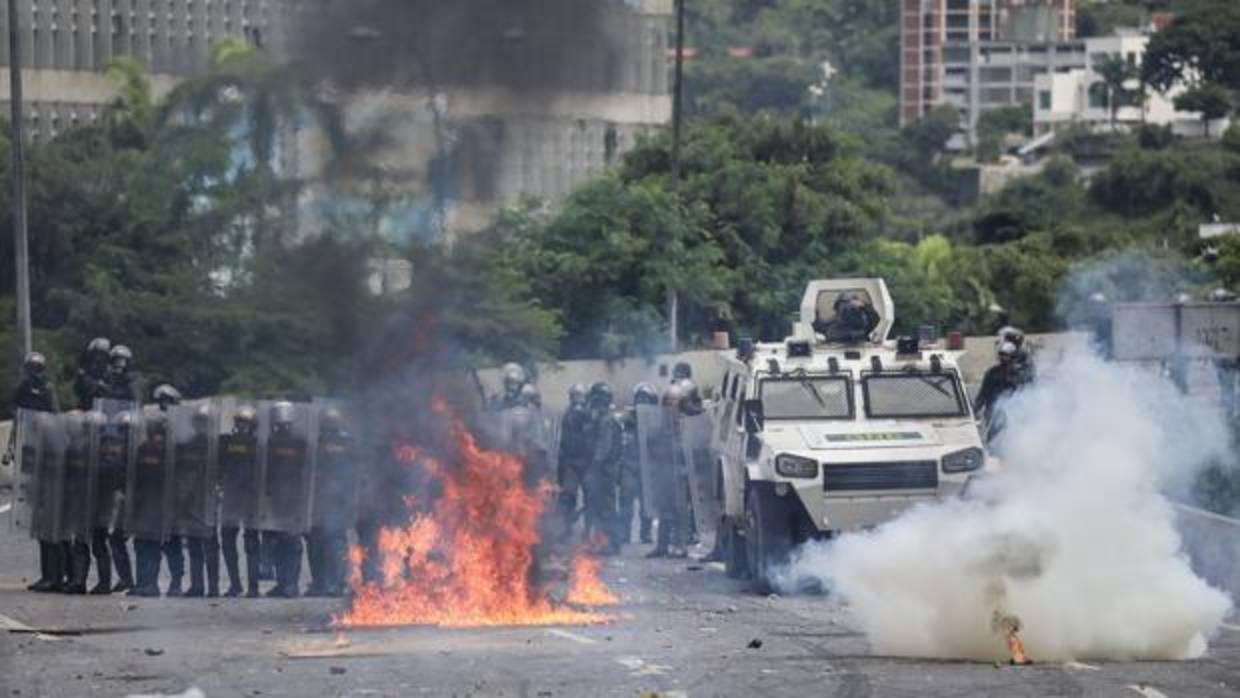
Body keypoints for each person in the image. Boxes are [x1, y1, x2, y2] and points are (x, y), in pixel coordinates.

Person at [5, 353, 63, 592]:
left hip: (48, 462)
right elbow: (17, 418)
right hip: (30, 456)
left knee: (50, 526)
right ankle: (47, 575)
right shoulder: (23, 389)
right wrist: (11, 447)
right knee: (38, 524)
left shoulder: (48, 391)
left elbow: (56, 418)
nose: (34, 373)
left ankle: (56, 576)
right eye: (31, 368)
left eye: (38, 368)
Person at [306, 406, 355, 598]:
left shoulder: (345, 442)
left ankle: (335, 583)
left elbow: (353, 472)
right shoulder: (321, 442)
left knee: (334, 542)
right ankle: (322, 583)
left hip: (336, 499)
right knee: (317, 541)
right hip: (321, 498)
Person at [265, 401, 308, 598]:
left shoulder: (300, 443)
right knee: (277, 544)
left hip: (293, 498)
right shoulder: (269, 443)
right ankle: (283, 583)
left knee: (291, 543)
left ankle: (291, 584)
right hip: (275, 498)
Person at [176, 404, 220, 598]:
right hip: (190, 499)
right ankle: (197, 585)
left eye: (205, 422)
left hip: (209, 499)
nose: (201, 426)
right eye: (199, 422)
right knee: (194, 544)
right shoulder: (188, 444)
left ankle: (213, 587)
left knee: (210, 545)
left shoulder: (217, 446)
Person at [218, 405, 262, 597]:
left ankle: (253, 587)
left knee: (251, 543)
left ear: (252, 426)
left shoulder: (259, 444)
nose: (241, 426)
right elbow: (218, 466)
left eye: (245, 423)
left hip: (251, 497)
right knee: (227, 539)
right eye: (239, 422)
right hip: (231, 496)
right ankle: (235, 584)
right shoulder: (226, 442)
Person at [90, 410, 135, 594]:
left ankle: (127, 579)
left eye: (127, 431)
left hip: (129, 500)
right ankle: (126, 579)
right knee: (115, 539)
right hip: (117, 500)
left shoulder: (132, 451)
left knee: (119, 539)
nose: (125, 435)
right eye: (122, 430)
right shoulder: (117, 450)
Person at [128, 411, 169, 597]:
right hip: (142, 500)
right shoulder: (143, 448)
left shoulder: (167, 449)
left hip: (158, 501)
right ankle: (141, 582)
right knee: (140, 543)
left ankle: (151, 584)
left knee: (152, 545)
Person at [151, 385, 187, 596]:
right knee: (153, 538)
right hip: (155, 489)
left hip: (174, 490)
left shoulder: (182, 431)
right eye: (161, 400)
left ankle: (176, 581)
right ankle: (151, 582)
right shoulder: (153, 424)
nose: (164, 405)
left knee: (173, 540)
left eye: (168, 401)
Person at [584, 383, 623, 555]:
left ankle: (611, 543)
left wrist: (594, 466)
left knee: (606, 507)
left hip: (605, 470)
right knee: (603, 506)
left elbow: (603, 447)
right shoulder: (602, 418)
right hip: (605, 469)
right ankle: (609, 542)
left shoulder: (607, 420)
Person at [618, 384, 656, 546]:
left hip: (647, 467)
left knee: (647, 503)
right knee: (626, 502)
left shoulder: (654, 418)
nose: (642, 401)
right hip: (630, 464)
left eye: (645, 398)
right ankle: (624, 533)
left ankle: (645, 533)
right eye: (639, 398)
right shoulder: (627, 417)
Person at [557, 384, 591, 535]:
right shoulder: (567, 414)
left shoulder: (588, 414)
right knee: (568, 497)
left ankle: (589, 531)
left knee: (591, 497)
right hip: (571, 461)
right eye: (575, 396)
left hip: (586, 462)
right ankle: (566, 529)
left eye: (580, 396)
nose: (577, 399)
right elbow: (564, 439)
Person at [974, 342, 1030, 432]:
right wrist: (975, 410)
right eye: (1002, 354)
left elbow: (1025, 395)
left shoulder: (1019, 375)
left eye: (1006, 355)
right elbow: (983, 394)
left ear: (1012, 357)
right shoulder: (992, 373)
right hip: (993, 415)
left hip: (1013, 416)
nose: (1003, 357)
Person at [73, 338, 112, 410]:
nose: (99, 357)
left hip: (105, 406)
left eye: (102, 353)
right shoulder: (84, 369)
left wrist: (104, 387)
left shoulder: (108, 370)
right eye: (97, 353)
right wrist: (97, 384)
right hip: (85, 405)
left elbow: (111, 388)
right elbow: (78, 388)